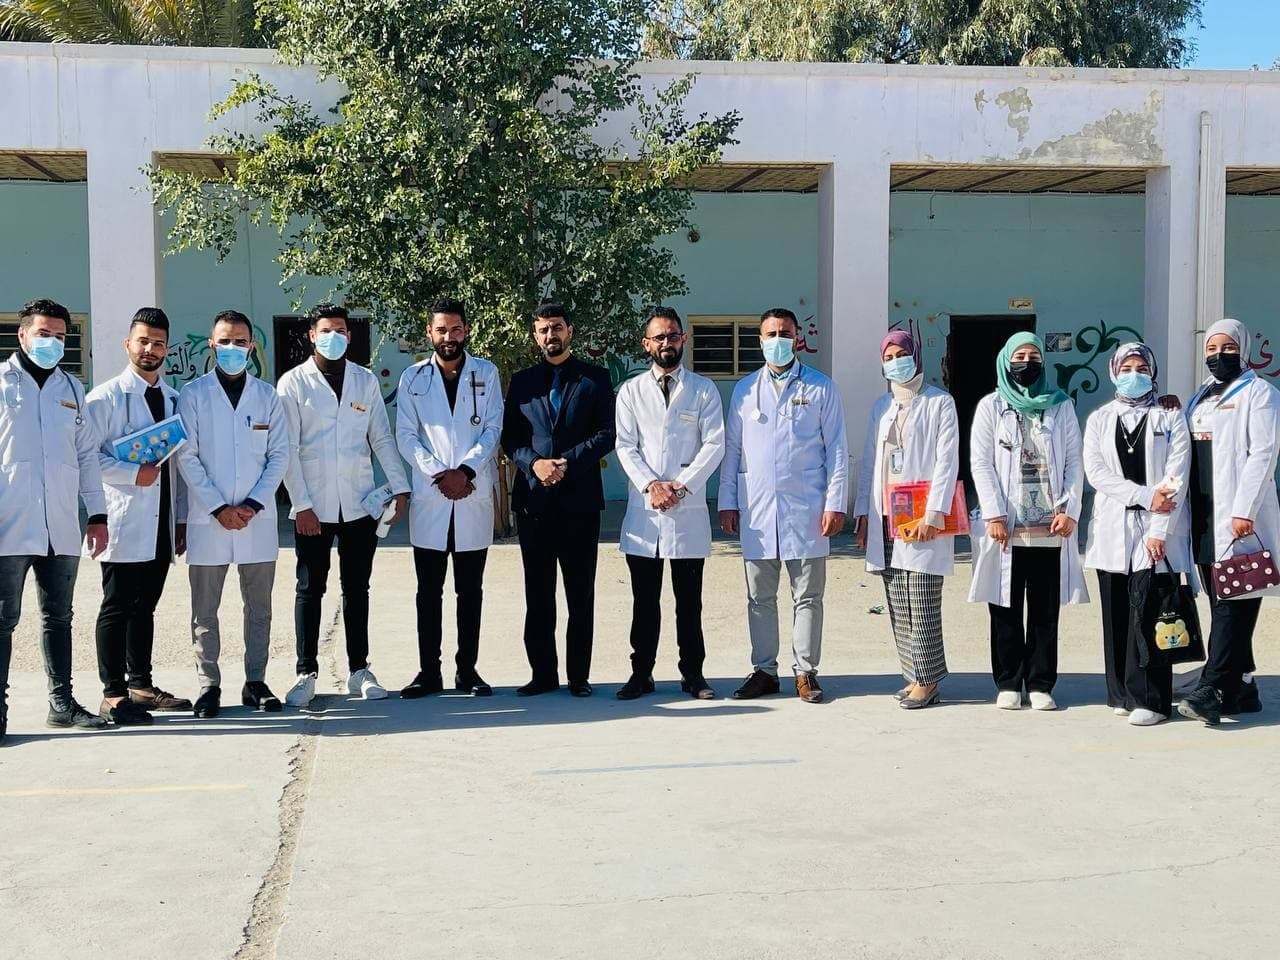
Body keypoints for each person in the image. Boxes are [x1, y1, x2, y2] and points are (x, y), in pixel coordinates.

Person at [278, 304, 409, 708]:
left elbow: (381, 438)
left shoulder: (364, 381)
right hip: (313, 506)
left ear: (349, 337)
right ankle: (306, 673)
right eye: (325, 331)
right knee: (310, 588)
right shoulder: (292, 383)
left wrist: (400, 487)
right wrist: (301, 504)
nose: (333, 337)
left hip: (358, 504)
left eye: (340, 331)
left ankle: (359, 670)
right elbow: (287, 449)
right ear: (311, 336)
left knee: (357, 588)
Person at [718, 307, 848, 704]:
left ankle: (805, 671)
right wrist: (727, 501)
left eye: (785, 333)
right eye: (771, 334)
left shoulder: (821, 387)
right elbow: (733, 450)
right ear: (760, 340)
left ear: (797, 339)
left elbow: (837, 449)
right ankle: (764, 670)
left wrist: (835, 502)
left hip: (807, 508)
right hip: (757, 509)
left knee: (807, 595)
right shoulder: (745, 391)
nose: (778, 340)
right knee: (759, 597)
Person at [0, 298, 110, 742]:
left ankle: (61, 704)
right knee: (3, 619)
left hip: (60, 523)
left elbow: (86, 455)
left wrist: (97, 513)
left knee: (59, 617)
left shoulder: (72, 389)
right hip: (9, 523)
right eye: (44, 334)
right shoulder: (2, 382)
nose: (53, 342)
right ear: (22, 335)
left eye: (61, 336)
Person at [175, 310, 289, 718]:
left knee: (259, 608)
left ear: (251, 347)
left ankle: (255, 681)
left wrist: (253, 504)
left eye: (240, 342)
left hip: (256, 520)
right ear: (212, 344)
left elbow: (279, 455)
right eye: (224, 341)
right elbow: (186, 456)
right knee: (205, 610)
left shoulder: (268, 396)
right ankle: (208, 684)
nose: (232, 348)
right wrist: (219, 507)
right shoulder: (192, 395)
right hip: (210, 519)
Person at [969, 331, 1089, 711]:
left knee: (1044, 607)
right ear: (1006, 362)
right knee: (1004, 605)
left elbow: (1074, 462)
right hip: (1007, 524)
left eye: (1033, 356)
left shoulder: (1061, 405)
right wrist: (993, 513)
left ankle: (1040, 683)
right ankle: (1008, 681)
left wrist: (1069, 510)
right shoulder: (991, 406)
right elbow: (981, 463)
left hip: (1049, 525)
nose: (1026, 363)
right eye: (1019, 357)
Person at [502, 302, 616, 697]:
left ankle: (578, 677)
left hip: (579, 503)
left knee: (580, 594)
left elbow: (607, 434)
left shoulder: (595, 379)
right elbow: (510, 437)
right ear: (535, 336)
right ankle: (543, 675)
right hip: (533, 503)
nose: (550, 335)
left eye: (556, 327)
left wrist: (566, 463)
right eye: (543, 330)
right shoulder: (522, 382)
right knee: (538, 594)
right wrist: (534, 464)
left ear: (569, 331)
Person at [85, 307, 191, 725]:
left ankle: (141, 685)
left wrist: (181, 519)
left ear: (167, 349)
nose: (150, 349)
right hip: (124, 517)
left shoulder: (174, 399)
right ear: (128, 344)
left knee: (145, 605)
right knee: (117, 605)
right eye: (143, 341)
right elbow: (87, 457)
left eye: (158, 343)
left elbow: (179, 466)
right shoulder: (105, 398)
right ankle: (113, 695)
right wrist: (132, 473)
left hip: (161, 518)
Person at [614, 306, 725, 700]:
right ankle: (640, 673)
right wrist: (651, 486)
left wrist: (679, 487)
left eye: (673, 335)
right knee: (644, 602)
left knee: (689, 603)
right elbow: (625, 446)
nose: (667, 342)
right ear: (647, 344)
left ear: (684, 339)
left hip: (685, 510)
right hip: (645, 513)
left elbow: (714, 444)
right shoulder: (631, 391)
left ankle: (693, 675)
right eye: (659, 337)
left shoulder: (703, 390)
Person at [396, 298, 503, 698]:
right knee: (428, 592)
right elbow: (406, 435)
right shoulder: (412, 378)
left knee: (470, 591)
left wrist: (467, 471)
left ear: (466, 330)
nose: (449, 337)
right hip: (434, 493)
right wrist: (441, 474)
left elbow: (493, 428)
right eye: (441, 330)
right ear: (430, 333)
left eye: (456, 329)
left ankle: (467, 670)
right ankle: (428, 672)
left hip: (471, 492)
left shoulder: (486, 372)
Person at [1082, 342, 1192, 726]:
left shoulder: (1169, 416)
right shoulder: (1100, 418)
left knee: (1150, 613)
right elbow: (1096, 472)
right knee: (1115, 611)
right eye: (1126, 368)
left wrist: (1159, 529)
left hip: (1156, 529)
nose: (1134, 374)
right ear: (1114, 372)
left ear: (1153, 371)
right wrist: (1144, 496)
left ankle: (1152, 700)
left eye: (1142, 368)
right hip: (1113, 526)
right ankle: (1120, 692)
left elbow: (1177, 473)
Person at [1177, 319, 1279, 726]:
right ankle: (1243, 687)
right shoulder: (1201, 393)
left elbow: (1263, 453)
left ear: (1244, 350)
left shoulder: (1260, 393)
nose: (1219, 355)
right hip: (1204, 510)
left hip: (1237, 514)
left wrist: (1244, 510)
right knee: (1220, 596)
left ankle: (1213, 688)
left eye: (1228, 348)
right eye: (1212, 348)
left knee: (1234, 599)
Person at [854, 330, 959, 710]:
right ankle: (913, 674)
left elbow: (947, 461)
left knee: (922, 597)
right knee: (898, 598)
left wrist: (934, 513)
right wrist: (863, 514)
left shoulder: (939, 403)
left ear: (916, 356)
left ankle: (929, 680)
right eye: (889, 357)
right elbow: (870, 461)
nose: (896, 362)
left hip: (922, 514)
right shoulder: (881, 406)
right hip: (886, 513)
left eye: (902, 354)